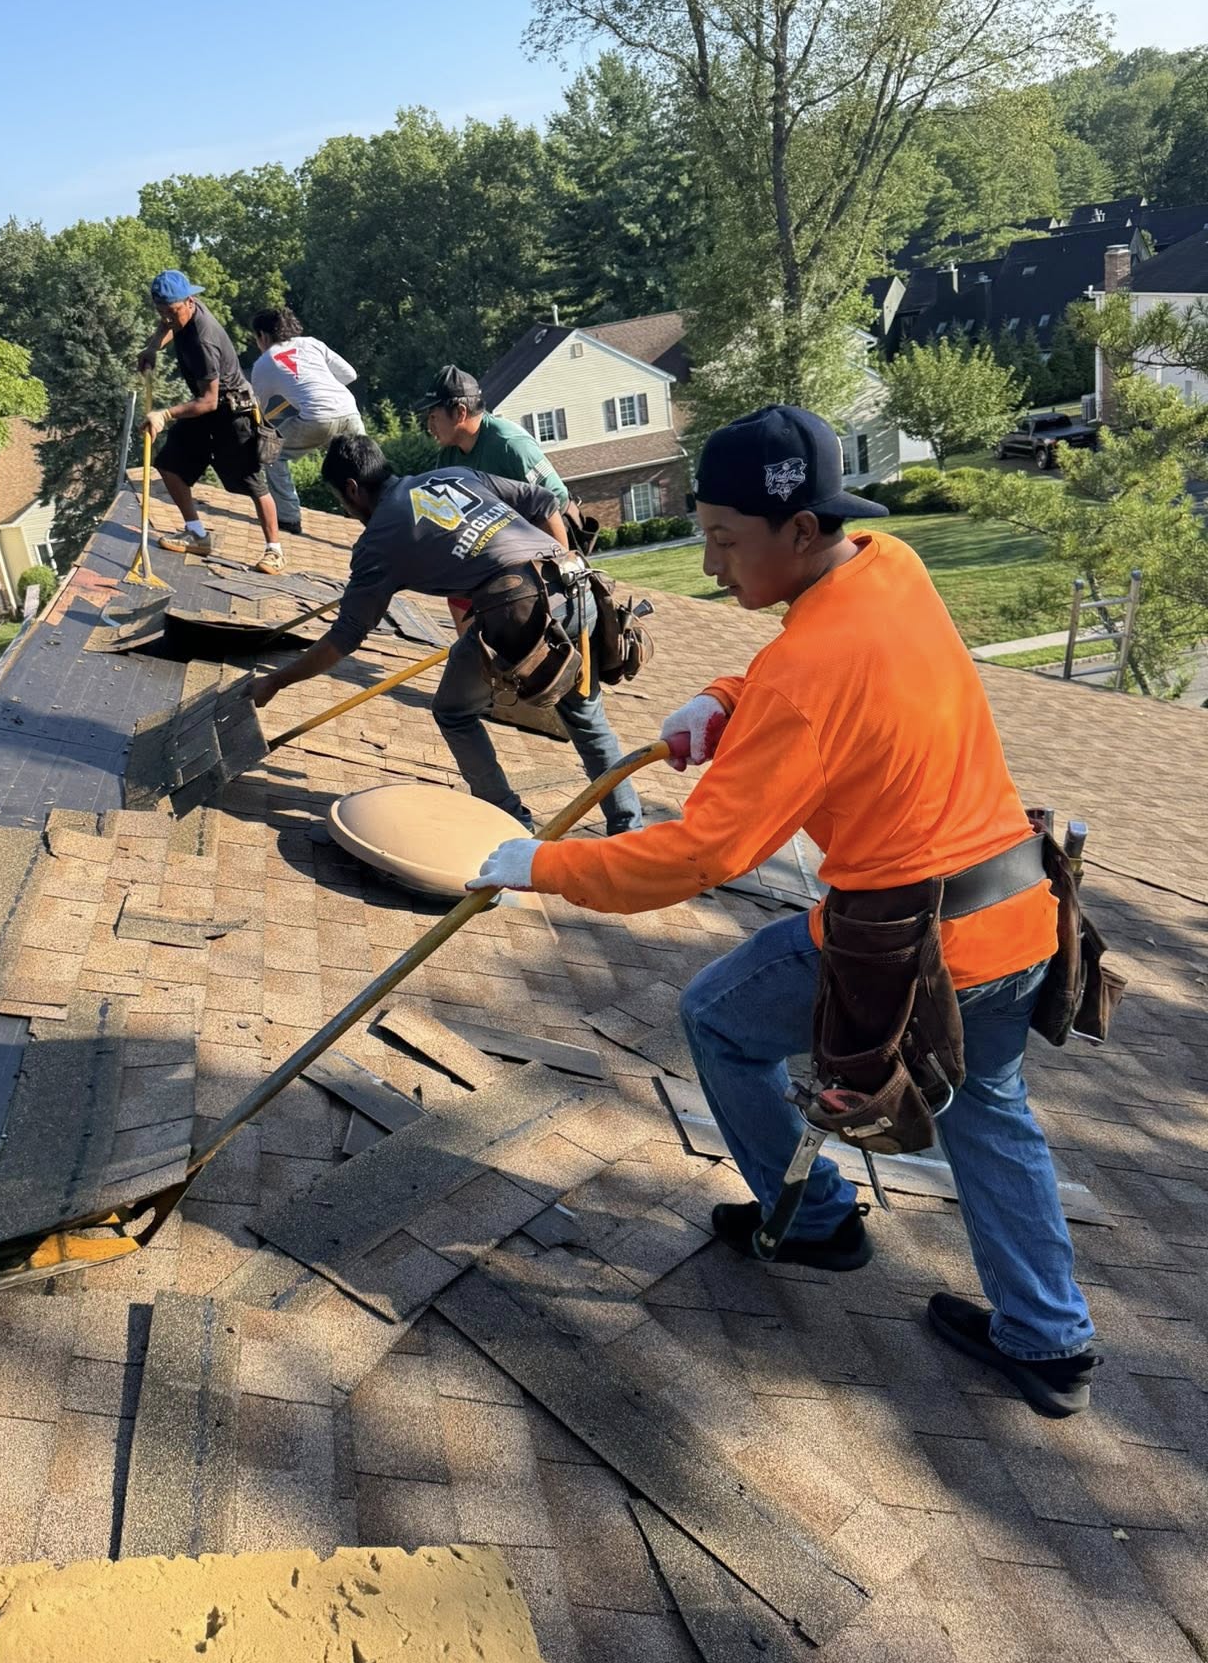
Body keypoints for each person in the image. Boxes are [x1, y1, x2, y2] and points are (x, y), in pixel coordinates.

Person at [468, 403, 1098, 1420]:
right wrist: (723, 696)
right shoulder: (888, 563)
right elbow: (818, 662)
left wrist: (544, 866)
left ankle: (813, 1222)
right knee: (989, 1110)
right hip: (1023, 913)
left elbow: (699, 852)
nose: (711, 563)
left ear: (801, 531)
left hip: (911, 949)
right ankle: (1051, 1336)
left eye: (724, 538)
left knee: (718, 1015)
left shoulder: (807, 678)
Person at [247, 433, 643, 836]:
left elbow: (345, 637)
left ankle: (511, 821)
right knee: (587, 721)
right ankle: (629, 832)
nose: (348, 513)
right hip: (580, 590)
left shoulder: (378, 541)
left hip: (521, 616)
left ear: (352, 489)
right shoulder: (452, 475)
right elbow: (544, 502)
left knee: (453, 711)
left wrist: (277, 682)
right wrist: (560, 564)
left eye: (343, 502)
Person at [137, 270, 284, 576]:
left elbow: (208, 401)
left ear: (190, 302)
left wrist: (163, 415)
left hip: (232, 414)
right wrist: (153, 346)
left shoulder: (203, 340)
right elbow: (166, 325)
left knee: (253, 483)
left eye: (173, 312)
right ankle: (197, 535)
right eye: (161, 312)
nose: (168, 318)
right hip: (206, 410)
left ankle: (275, 551)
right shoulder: (180, 312)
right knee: (169, 465)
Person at [249, 308, 364, 536]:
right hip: (349, 410)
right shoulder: (312, 343)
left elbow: (257, 409)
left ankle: (289, 518)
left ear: (262, 336)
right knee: (364, 466)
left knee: (271, 453)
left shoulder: (264, 363)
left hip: (316, 418)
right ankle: (371, 512)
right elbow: (350, 375)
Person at [418, 366, 571, 511]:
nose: (430, 427)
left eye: (433, 417)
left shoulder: (510, 445)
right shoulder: (448, 455)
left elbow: (557, 498)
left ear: (460, 413)